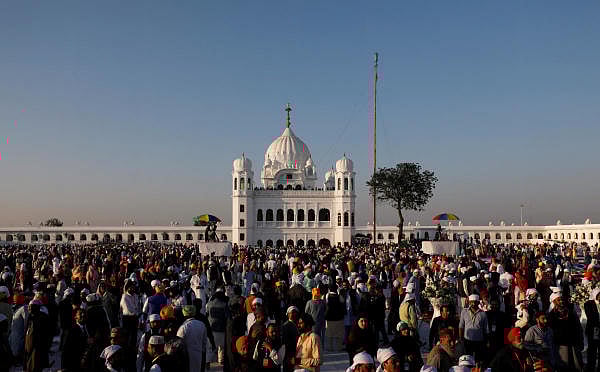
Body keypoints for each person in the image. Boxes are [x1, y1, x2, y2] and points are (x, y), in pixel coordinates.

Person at [177, 305, 208, 372]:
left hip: (186, 357)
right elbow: (204, 342)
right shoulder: (202, 324)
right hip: (198, 354)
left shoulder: (183, 327)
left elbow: (178, 343)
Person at [458, 294, 488, 362]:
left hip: (479, 341)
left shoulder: (483, 314)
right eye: (471, 302)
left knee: (478, 359)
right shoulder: (464, 312)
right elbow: (461, 326)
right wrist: (461, 339)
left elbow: (485, 329)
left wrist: (486, 341)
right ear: (469, 302)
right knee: (468, 359)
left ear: (478, 303)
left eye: (475, 302)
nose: (473, 303)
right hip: (467, 340)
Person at [206, 286, 229, 365]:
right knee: (221, 347)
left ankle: (209, 362)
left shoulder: (209, 304)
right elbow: (227, 316)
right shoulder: (224, 304)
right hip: (221, 329)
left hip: (211, 328)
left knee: (211, 347)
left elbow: (207, 313)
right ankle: (220, 361)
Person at [62, 308, 89, 372]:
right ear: (75, 317)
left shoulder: (88, 329)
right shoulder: (71, 330)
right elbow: (65, 350)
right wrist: (64, 367)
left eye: (84, 314)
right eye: (80, 314)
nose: (83, 315)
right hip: (74, 363)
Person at [324, 283, 344, 352]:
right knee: (338, 334)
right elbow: (342, 302)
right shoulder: (339, 296)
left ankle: (329, 347)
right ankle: (338, 348)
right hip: (338, 317)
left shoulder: (327, 296)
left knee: (329, 333)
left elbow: (326, 304)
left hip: (329, 317)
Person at [584, 287, 600, 372]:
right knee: (592, 350)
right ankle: (591, 368)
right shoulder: (588, 304)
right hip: (594, 329)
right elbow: (591, 317)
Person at [281, 306, 299, 372]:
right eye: (292, 312)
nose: (294, 314)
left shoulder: (299, 324)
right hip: (289, 353)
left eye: (295, 312)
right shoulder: (286, 325)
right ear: (288, 314)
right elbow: (285, 341)